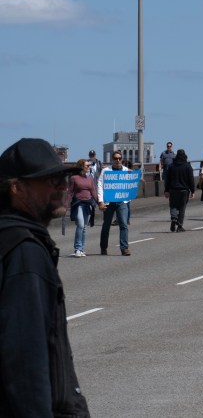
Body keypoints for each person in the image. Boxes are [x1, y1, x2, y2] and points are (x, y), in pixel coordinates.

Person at [0, 138, 91, 416]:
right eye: (50, 180)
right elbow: (24, 359)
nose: (63, 187)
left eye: (63, 178)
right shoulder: (24, 251)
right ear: (17, 188)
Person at [97, 152, 132, 255]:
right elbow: (100, 185)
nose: (118, 160)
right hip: (109, 202)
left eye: (119, 158)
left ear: (122, 159)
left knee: (124, 224)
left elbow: (133, 182)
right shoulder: (106, 171)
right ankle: (103, 247)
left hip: (122, 201)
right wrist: (100, 201)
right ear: (112, 159)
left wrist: (133, 174)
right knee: (106, 225)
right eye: (115, 158)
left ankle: (124, 248)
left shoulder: (126, 171)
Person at [164, 149, 195, 233]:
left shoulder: (171, 166)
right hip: (184, 190)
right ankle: (179, 226)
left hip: (173, 189)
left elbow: (168, 179)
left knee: (173, 205)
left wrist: (166, 190)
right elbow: (191, 180)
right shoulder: (188, 166)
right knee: (182, 208)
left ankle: (174, 217)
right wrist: (193, 191)